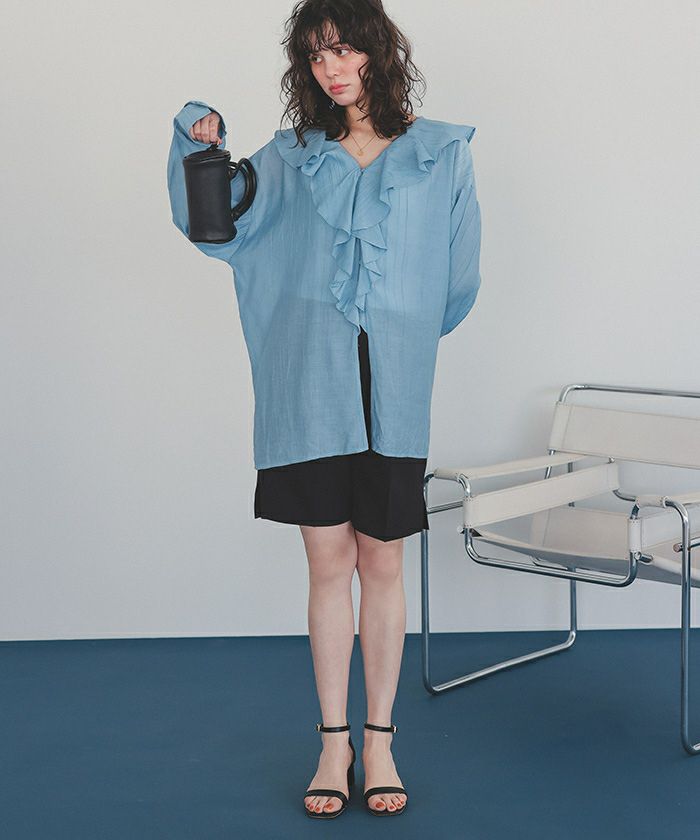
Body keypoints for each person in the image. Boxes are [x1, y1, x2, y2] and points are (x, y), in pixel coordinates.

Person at [167, 0, 482, 819]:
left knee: (383, 563)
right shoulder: (290, 158)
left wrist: (398, 326)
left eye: (343, 49)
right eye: (315, 56)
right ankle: (332, 742)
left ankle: (380, 742)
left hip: (394, 387)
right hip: (311, 385)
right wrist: (198, 145)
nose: (331, 68)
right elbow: (218, 228)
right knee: (327, 563)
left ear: (378, 50)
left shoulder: (441, 154)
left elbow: (457, 280)